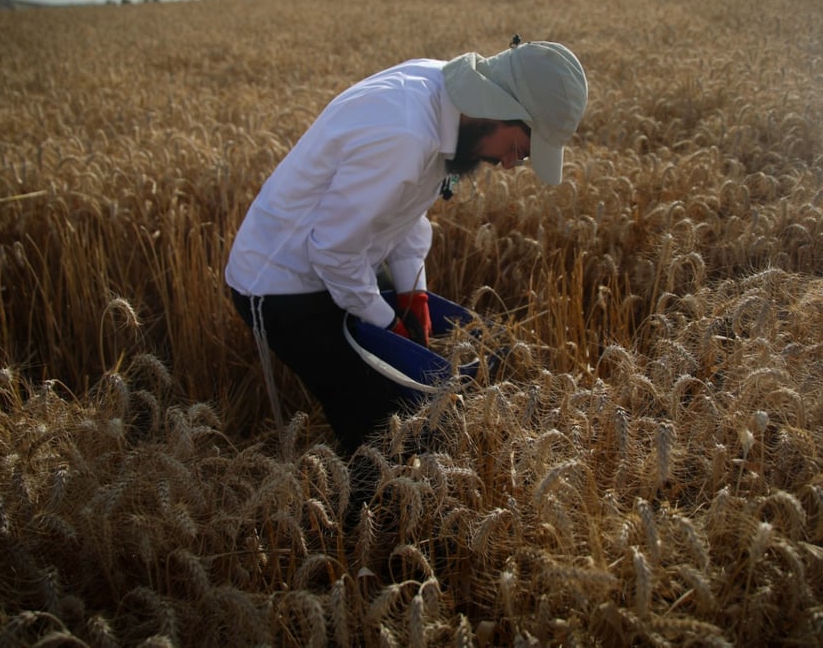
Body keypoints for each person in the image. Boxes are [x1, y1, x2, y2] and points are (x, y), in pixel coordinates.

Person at [225, 37, 589, 454]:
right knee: (387, 428)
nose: (509, 165)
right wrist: (388, 324)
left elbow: (404, 212)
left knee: (413, 413)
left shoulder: (446, 98)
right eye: (518, 151)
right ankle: (362, 513)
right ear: (498, 107)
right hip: (281, 284)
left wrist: (412, 289)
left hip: (343, 258)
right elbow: (331, 252)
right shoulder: (404, 132)